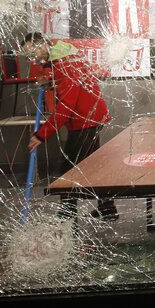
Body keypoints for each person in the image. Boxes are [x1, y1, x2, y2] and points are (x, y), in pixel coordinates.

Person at [20, 32, 118, 221]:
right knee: (93, 166)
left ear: (44, 45)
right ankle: (106, 208)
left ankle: (67, 212)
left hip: (84, 120)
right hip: (87, 117)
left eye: (33, 52)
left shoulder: (65, 63)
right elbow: (69, 86)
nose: (32, 59)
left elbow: (66, 105)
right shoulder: (61, 57)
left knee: (68, 168)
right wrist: (51, 82)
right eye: (28, 55)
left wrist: (41, 135)